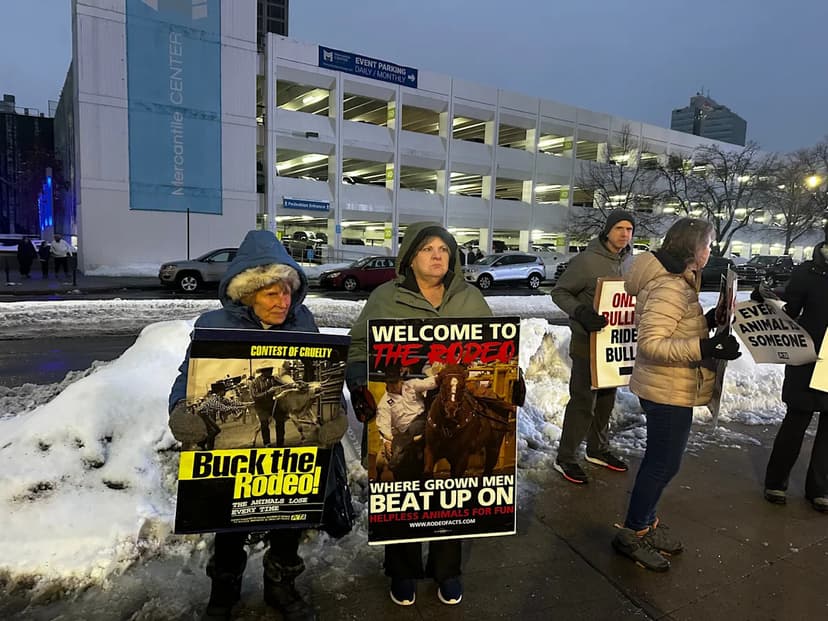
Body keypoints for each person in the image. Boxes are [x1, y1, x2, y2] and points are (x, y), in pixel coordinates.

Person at [168, 230, 327, 621]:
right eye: (271, 293)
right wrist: (179, 410)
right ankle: (223, 593)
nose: (283, 301)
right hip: (232, 452)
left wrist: (331, 415)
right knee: (229, 522)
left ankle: (281, 587)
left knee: (288, 520)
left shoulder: (303, 324)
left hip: (292, 450)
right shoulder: (214, 324)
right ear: (248, 293)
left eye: (287, 292)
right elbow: (189, 376)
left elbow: (322, 378)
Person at [346, 221, 492, 607]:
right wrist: (360, 383)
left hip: (452, 411)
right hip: (404, 409)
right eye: (427, 249)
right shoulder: (384, 298)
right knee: (401, 488)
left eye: (443, 249)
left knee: (452, 489)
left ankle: (448, 570)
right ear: (410, 257)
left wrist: (512, 383)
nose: (437, 255)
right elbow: (358, 346)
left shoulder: (470, 299)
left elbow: (495, 349)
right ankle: (402, 569)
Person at [612, 217, 741, 572]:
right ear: (691, 248)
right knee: (662, 463)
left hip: (671, 385)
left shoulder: (681, 281)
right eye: (708, 244)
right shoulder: (670, 286)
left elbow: (677, 325)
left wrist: (712, 321)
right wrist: (705, 345)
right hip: (665, 388)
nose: (711, 250)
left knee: (664, 461)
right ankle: (633, 531)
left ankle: (646, 521)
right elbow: (652, 344)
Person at [550, 209, 635, 484]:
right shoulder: (586, 261)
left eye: (629, 229)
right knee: (583, 402)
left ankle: (598, 449)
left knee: (607, 401)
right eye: (619, 228)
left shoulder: (631, 263)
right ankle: (566, 457)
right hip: (588, 344)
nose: (624, 234)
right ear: (607, 231)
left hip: (615, 345)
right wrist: (581, 312)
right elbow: (559, 292)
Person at [761, 231, 828, 513]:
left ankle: (820, 488)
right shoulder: (806, 273)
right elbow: (788, 313)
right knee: (796, 421)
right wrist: (768, 302)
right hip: (807, 359)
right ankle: (776, 482)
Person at [376, 365, 438, 481]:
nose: (394, 386)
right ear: (386, 383)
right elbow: (383, 424)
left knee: (416, 427)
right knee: (399, 447)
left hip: (423, 419)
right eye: (390, 383)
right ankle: (397, 467)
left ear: (401, 380)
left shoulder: (411, 385)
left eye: (396, 382)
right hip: (405, 432)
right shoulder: (384, 404)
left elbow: (429, 383)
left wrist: (442, 376)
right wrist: (387, 441)